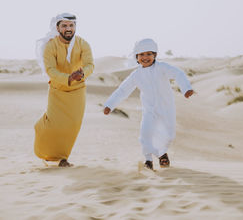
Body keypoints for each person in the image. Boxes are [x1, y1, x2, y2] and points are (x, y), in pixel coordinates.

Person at [103, 38, 194, 170]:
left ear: (155, 55)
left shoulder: (162, 68)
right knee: (145, 134)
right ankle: (149, 160)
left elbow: (178, 73)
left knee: (168, 135)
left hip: (166, 108)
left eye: (149, 54)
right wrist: (109, 105)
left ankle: (162, 153)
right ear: (137, 57)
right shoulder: (136, 75)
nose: (145, 57)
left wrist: (186, 88)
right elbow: (123, 90)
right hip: (149, 111)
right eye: (142, 54)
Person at [34, 13, 94, 167]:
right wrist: (68, 78)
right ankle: (41, 131)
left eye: (71, 25)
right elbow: (50, 70)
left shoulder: (83, 44)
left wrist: (82, 74)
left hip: (78, 90)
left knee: (72, 126)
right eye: (64, 26)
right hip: (58, 89)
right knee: (54, 125)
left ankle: (63, 158)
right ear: (58, 28)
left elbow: (90, 65)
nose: (68, 29)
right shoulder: (51, 45)